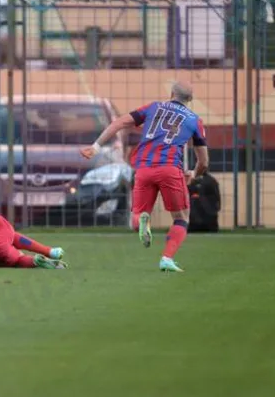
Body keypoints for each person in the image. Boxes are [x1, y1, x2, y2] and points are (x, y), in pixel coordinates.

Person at [81, 81, 209, 273]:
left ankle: (142, 219)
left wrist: (96, 146)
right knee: (181, 218)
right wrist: (194, 173)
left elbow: (118, 123)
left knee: (138, 213)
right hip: (170, 169)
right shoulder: (194, 120)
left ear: (171, 94)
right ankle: (167, 258)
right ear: (190, 99)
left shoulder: (153, 107)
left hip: (143, 168)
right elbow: (204, 162)